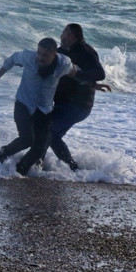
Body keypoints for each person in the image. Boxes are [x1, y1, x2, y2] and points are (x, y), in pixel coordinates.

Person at [0, 37, 78, 176]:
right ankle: (3, 153)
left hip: (44, 109)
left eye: (45, 55)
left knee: (40, 148)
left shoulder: (63, 63)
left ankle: (19, 172)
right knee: (27, 139)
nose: (40, 58)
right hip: (23, 104)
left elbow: (75, 71)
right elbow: (11, 59)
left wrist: (92, 84)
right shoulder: (28, 57)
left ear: (54, 54)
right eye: (39, 53)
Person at [47, 23, 110, 171]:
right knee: (51, 135)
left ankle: (41, 165)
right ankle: (73, 168)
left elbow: (100, 73)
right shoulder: (64, 50)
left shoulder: (86, 51)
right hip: (65, 102)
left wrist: (77, 75)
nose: (61, 35)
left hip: (78, 104)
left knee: (48, 132)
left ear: (70, 35)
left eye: (63, 33)